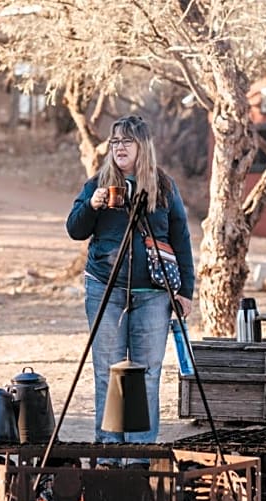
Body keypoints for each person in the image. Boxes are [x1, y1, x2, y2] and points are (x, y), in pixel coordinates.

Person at [66, 115, 195, 465]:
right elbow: (75, 230)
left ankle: (140, 452)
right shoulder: (99, 184)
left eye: (127, 141)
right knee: (106, 369)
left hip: (153, 292)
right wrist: (90, 205)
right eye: (115, 141)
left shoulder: (164, 188)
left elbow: (180, 237)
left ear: (143, 147)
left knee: (147, 371)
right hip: (104, 288)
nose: (119, 147)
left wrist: (185, 290)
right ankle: (109, 450)